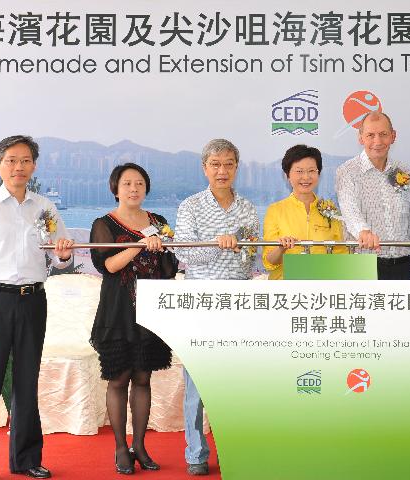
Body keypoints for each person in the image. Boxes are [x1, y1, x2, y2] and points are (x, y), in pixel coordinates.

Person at [0, 136, 74, 480]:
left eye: (25, 160)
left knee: (26, 382)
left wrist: (65, 254)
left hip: (34, 301)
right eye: (11, 160)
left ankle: (25, 459)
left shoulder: (46, 209)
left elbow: (60, 257)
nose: (18, 167)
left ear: (34, 167)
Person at [174, 139, 260, 475]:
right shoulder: (191, 206)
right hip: (202, 301)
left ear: (236, 167)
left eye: (228, 164)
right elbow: (184, 253)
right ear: (205, 168)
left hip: (238, 300)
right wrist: (217, 244)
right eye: (215, 164)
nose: (221, 171)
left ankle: (233, 447)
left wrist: (235, 247)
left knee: (235, 380)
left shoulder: (248, 208)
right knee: (197, 381)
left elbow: (250, 256)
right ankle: (196, 454)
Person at [89, 163, 176, 475]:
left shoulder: (159, 222)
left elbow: (168, 269)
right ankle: (120, 448)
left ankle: (139, 445)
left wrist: (165, 250)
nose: (134, 189)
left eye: (139, 183)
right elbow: (108, 265)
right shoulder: (104, 224)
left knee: (143, 377)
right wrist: (138, 245)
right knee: (119, 378)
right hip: (118, 311)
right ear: (116, 188)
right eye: (127, 184)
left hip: (150, 310)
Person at [335, 111, 410, 279]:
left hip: (402, 264)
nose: (377, 141)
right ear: (360, 138)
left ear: (393, 136)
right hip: (363, 263)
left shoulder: (404, 170)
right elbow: (349, 210)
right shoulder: (347, 171)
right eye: (370, 135)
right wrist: (363, 232)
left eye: (383, 134)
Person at [262, 144, 347, 279]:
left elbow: (341, 254)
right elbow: (269, 262)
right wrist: (281, 248)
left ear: (319, 173)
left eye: (312, 171)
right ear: (287, 176)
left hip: (322, 287)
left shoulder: (330, 209)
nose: (306, 177)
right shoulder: (275, 210)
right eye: (299, 171)